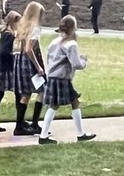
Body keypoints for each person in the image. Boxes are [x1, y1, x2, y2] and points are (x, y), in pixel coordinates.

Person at [38, 15, 96, 144]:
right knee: (62, 104)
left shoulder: (54, 42)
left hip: (52, 76)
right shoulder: (71, 44)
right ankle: (45, 136)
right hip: (62, 79)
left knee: (67, 102)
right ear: (73, 28)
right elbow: (76, 64)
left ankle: (45, 136)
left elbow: (49, 59)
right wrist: (84, 61)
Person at [11, 1, 46, 135]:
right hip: (29, 62)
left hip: (20, 61)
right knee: (42, 90)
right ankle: (34, 123)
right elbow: (29, 49)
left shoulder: (22, 25)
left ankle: (19, 125)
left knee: (25, 93)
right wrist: (38, 67)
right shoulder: (34, 28)